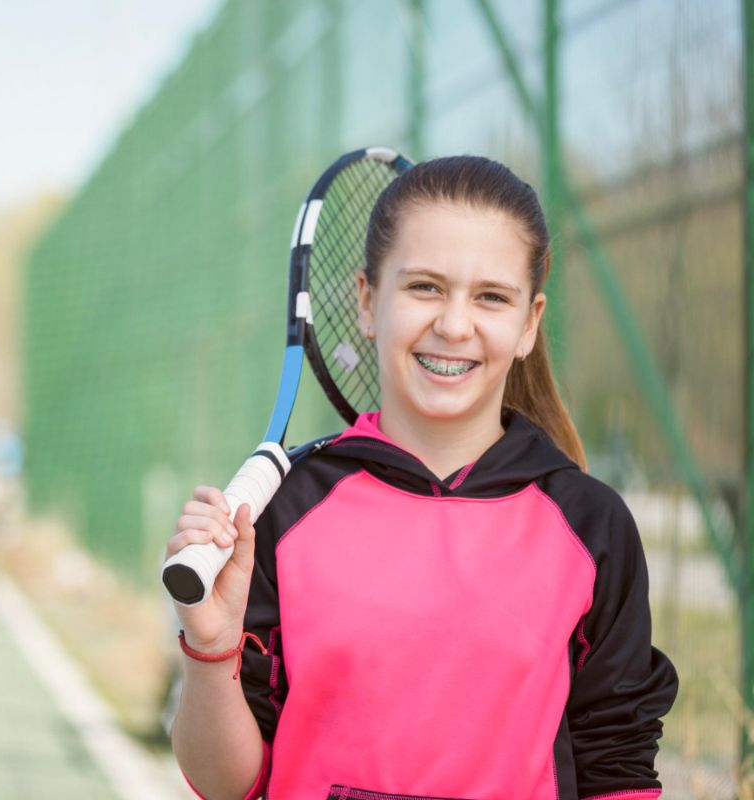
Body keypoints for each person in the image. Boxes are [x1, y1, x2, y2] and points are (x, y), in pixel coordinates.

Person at [165, 156, 677, 800]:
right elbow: (226, 785)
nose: (454, 325)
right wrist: (210, 649)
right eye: (425, 288)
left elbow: (618, 767)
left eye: (491, 296)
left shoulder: (591, 525)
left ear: (529, 324)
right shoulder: (284, 512)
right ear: (367, 301)